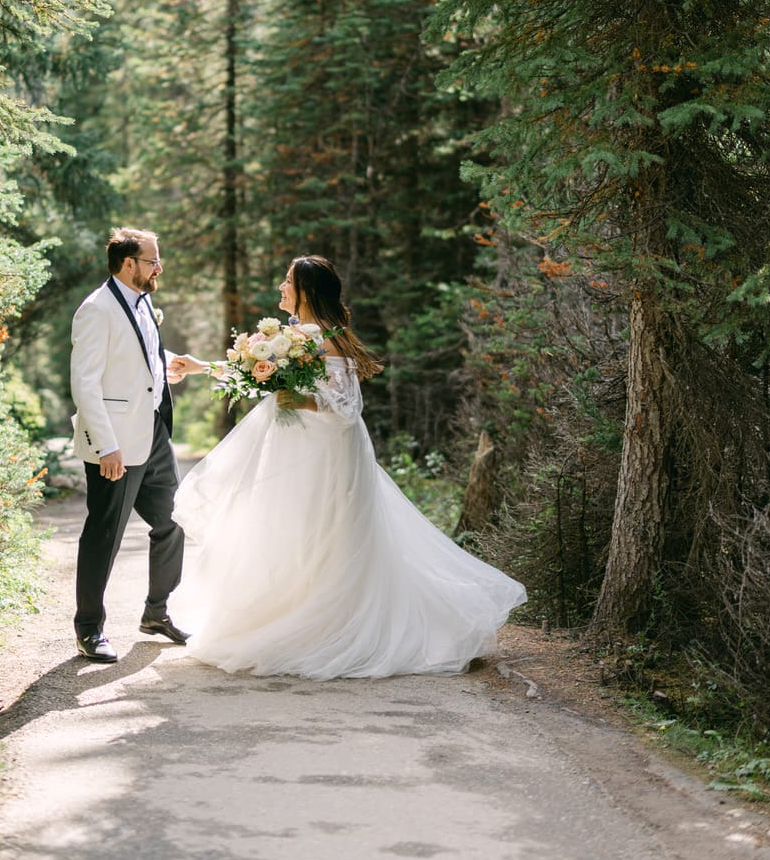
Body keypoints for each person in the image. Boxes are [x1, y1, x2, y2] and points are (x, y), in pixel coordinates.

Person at [171, 256, 527, 678]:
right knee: (294, 535)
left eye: (288, 282)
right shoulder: (293, 336)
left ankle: (332, 626)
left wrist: (298, 400)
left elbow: (347, 407)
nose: (281, 287)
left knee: (330, 535)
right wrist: (200, 367)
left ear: (306, 290)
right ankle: (295, 613)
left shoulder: (327, 339)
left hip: (328, 452)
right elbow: (258, 374)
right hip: (296, 449)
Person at [69, 226, 192, 662]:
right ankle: (89, 629)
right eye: (152, 260)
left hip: (154, 431)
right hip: (115, 441)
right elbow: (85, 384)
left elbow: (135, 356)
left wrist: (164, 366)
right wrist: (106, 447)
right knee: (105, 533)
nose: (159, 267)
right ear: (128, 264)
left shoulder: (143, 300)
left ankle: (156, 613)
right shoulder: (96, 310)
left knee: (173, 521)